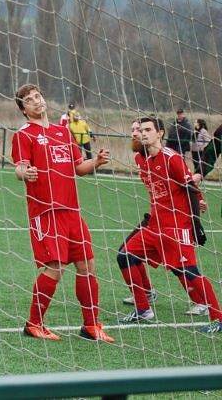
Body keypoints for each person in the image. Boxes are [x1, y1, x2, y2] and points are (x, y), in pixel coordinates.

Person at [11, 83, 114, 343]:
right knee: (55, 268)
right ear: (24, 110)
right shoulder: (24, 135)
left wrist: (97, 162)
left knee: (87, 265)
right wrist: (26, 173)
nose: (36, 101)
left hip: (72, 211)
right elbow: (19, 168)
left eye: (38, 95)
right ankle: (34, 324)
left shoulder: (63, 132)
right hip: (46, 212)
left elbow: (79, 167)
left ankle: (91, 326)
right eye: (29, 100)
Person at [116, 116, 222, 333]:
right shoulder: (140, 159)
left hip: (176, 227)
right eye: (140, 130)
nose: (143, 133)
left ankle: (218, 317)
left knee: (188, 271)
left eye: (148, 129)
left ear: (160, 133)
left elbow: (190, 187)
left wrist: (196, 220)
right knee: (125, 255)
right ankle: (143, 309)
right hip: (154, 225)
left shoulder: (172, 159)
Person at [120, 121, 157, 309]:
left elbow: (186, 180)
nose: (135, 133)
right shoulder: (139, 158)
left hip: (173, 219)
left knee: (180, 265)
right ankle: (147, 294)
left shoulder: (162, 156)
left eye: (140, 130)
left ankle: (203, 303)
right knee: (126, 252)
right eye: (133, 130)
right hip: (154, 218)